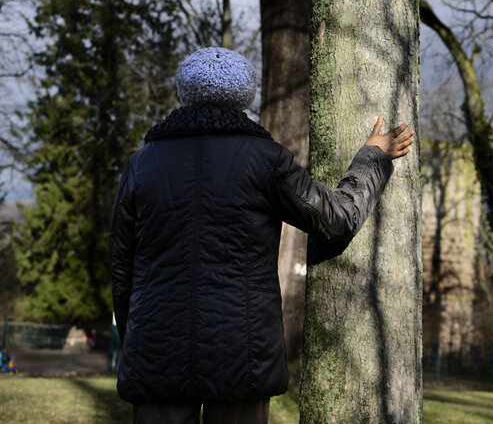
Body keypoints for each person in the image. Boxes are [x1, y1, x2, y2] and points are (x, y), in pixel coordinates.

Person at [109, 47, 414, 424]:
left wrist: (137, 338)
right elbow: (336, 220)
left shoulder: (141, 164)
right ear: (244, 95)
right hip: (241, 354)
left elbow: (121, 268)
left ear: (184, 92)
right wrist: (371, 157)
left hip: (156, 352)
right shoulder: (265, 159)